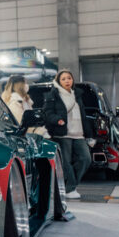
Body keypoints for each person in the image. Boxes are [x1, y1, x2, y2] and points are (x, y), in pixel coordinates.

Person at [42, 70, 92, 199]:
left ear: (72, 80)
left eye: (69, 78)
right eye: (63, 79)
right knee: (66, 162)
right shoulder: (53, 95)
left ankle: (69, 185)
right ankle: (70, 189)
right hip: (63, 134)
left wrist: (89, 133)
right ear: (59, 81)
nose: (67, 81)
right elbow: (47, 113)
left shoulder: (77, 94)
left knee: (86, 159)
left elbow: (83, 115)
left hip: (79, 133)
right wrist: (57, 120)